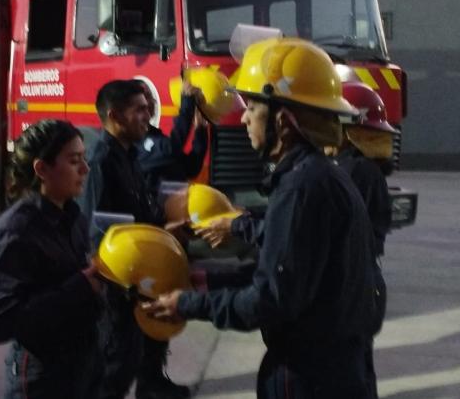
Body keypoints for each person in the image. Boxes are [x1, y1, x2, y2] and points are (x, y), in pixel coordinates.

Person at [142, 38, 379, 399]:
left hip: (307, 377)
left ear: (283, 121)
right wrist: (204, 279)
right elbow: (286, 271)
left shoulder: (301, 190)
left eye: (253, 107)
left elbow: (270, 300)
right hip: (337, 367)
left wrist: (187, 304)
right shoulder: (323, 177)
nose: (245, 117)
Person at [79, 79, 191, 399]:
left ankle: (151, 385)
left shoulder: (128, 154)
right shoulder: (101, 162)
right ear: (115, 116)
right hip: (119, 282)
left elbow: (137, 209)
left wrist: (165, 224)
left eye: (147, 108)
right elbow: (98, 231)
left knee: (143, 345)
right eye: (139, 110)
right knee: (116, 364)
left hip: (142, 270)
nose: (147, 116)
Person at [0, 119, 104, 398]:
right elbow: (0, 322)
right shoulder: (16, 230)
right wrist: (80, 287)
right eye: (74, 161)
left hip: (84, 364)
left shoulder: (73, 216)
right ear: (42, 169)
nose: (85, 169)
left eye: (84, 159)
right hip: (44, 378)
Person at [336, 81, 401, 399]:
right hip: (366, 287)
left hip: (351, 290)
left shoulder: (354, 172)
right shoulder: (370, 171)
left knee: (349, 375)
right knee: (360, 371)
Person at [134, 79, 208, 198]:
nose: (151, 101)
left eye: (150, 96)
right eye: (145, 96)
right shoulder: (136, 143)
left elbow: (192, 168)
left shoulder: (155, 136)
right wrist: (187, 104)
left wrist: (200, 129)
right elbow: (171, 148)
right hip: (156, 213)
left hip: (176, 207)